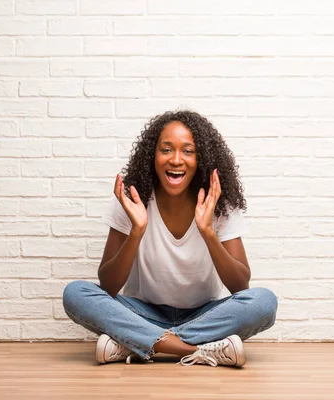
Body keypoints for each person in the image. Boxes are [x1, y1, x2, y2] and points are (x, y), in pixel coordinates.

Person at [62, 110, 278, 368]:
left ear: (201, 159)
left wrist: (208, 232)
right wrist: (137, 231)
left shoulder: (218, 204)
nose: (176, 160)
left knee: (264, 302)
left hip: (203, 316)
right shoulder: (132, 200)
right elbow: (107, 285)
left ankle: (133, 343)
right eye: (166, 150)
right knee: (75, 293)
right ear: (152, 156)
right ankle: (195, 350)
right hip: (142, 313)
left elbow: (241, 286)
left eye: (188, 151)